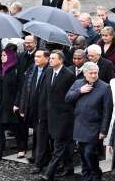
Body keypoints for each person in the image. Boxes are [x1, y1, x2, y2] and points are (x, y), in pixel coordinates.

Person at [65, 62, 112, 181]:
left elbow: (108, 111)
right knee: (83, 155)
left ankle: (96, 174)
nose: (94, 75)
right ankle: (86, 177)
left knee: (89, 154)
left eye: (96, 73)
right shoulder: (78, 83)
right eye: (91, 73)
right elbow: (67, 99)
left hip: (94, 127)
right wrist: (79, 91)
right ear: (85, 74)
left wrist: (103, 130)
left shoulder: (105, 87)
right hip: (80, 125)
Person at [39, 50, 76, 181]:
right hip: (51, 115)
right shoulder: (48, 72)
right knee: (61, 143)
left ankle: (49, 173)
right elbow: (45, 94)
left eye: (53, 58)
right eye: (50, 58)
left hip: (64, 116)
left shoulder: (69, 75)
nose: (50, 60)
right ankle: (68, 166)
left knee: (59, 145)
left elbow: (71, 97)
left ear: (61, 60)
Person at [0, 44, 26, 161]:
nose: (2, 57)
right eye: (2, 55)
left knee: (15, 127)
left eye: (4, 55)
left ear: (10, 56)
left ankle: (21, 148)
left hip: (11, 104)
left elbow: (21, 88)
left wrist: (17, 103)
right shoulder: (1, 68)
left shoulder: (16, 70)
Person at [18, 50, 51, 173]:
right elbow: (26, 88)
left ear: (46, 59)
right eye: (35, 56)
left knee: (41, 135)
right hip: (32, 107)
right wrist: (22, 106)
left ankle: (39, 163)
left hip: (44, 109)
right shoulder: (33, 68)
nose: (35, 59)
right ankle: (42, 158)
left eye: (38, 57)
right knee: (39, 134)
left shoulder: (49, 71)